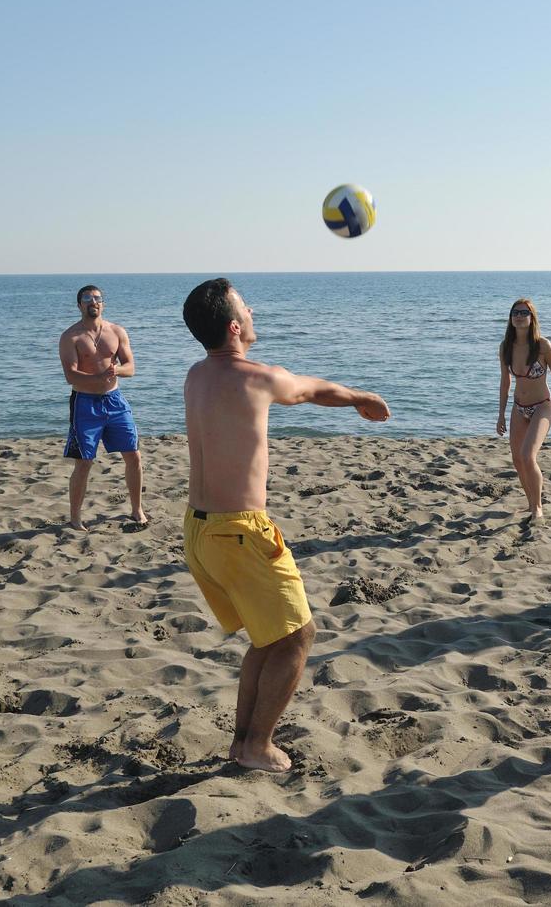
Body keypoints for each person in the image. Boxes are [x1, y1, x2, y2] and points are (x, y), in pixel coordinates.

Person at [181, 278, 390, 772]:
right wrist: (363, 397)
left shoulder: (195, 374)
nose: (253, 310)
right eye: (245, 306)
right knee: (299, 636)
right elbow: (313, 389)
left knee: (268, 637)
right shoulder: (257, 377)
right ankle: (257, 746)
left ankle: (243, 742)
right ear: (235, 326)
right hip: (240, 530)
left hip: (198, 530)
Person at [58, 284, 146, 530]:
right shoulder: (71, 336)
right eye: (87, 298)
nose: (93, 302)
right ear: (79, 305)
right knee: (84, 461)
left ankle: (137, 509)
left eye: (97, 298)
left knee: (133, 455)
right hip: (84, 404)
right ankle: (75, 518)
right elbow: (71, 376)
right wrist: (97, 378)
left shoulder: (116, 331)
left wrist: (116, 369)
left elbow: (131, 367)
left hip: (115, 400)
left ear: (103, 304)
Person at [495, 298, 551, 520]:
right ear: (511, 318)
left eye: (524, 313)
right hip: (518, 408)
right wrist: (501, 414)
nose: (519, 316)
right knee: (516, 460)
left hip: (542, 406)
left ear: (532, 318)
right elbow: (505, 382)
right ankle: (531, 503)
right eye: (515, 312)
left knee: (527, 455)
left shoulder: (542, 345)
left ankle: (538, 507)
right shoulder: (505, 347)